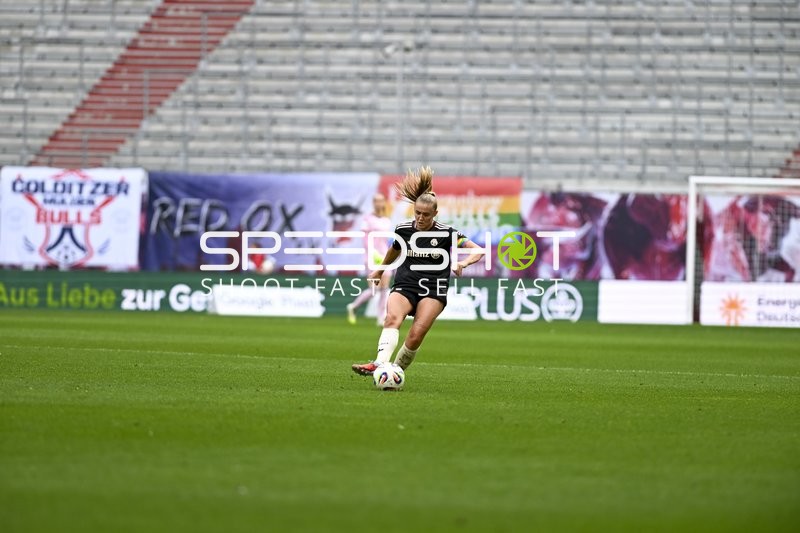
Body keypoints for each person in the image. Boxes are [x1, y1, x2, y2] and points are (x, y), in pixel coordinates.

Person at [351, 166, 485, 376]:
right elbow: (394, 250)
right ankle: (378, 364)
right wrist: (379, 271)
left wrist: (463, 263)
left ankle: (394, 372)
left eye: (426, 214)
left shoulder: (446, 233)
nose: (420, 218)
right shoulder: (403, 229)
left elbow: (477, 250)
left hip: (433, 288)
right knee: (391, 319)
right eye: (417, 213)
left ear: (435, 213)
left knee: (416, 334)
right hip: (406, 283)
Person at [346, 193, 393, 325]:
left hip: (385, 258)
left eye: (381, 201)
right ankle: (354, 306)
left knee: (385, 289)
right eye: (376, 201)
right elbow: (366, 240)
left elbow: (387, 240)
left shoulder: (387, 220)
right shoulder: (367, 219)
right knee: (374, 289)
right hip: (372, 258)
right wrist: (373, 254)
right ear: (373, 203)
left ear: (384, 203)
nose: (379, 203)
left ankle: (381, 318)